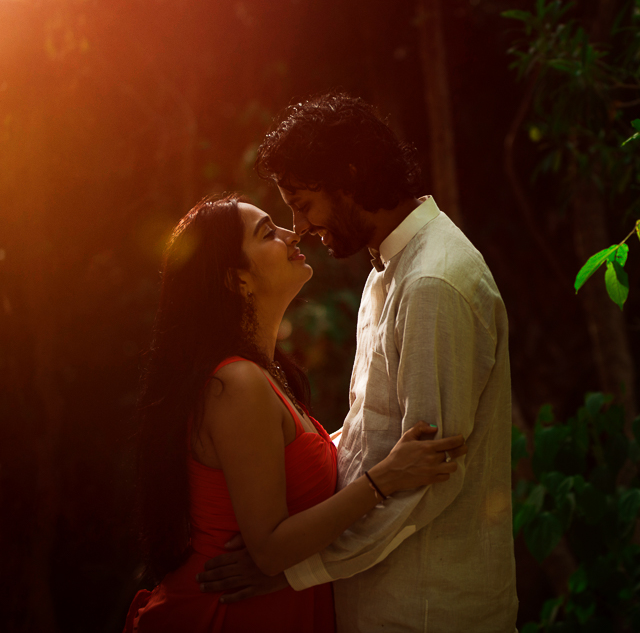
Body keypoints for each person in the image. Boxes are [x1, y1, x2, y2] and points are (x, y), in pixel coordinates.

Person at [197, 93, 518, 631]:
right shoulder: (387, 270)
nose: (297, 226)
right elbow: (374, 435)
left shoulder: (431, 282)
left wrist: (291, 568)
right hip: (381, 601)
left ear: (348, 177)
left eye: (302, 202)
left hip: (427, 608)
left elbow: (428, 479)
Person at [124, 195, 466, 632]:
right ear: (236, 280)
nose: (292, 233)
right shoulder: (237, 384)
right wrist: (386, 479)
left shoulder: (263, 373)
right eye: (268, 233)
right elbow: (268, 549)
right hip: (230, 614)